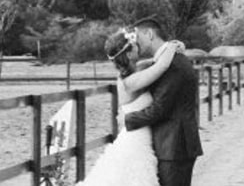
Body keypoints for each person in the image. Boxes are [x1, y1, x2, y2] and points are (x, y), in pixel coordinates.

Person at [78, 27, 185, 186]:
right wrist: (170, 46)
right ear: (128, 54)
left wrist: (177, 47)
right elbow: (160, 66)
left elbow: (156, 61)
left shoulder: (137, 69)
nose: (138, 45)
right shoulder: (129, 82)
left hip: (139, 133)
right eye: (134, 44)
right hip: (136, 140)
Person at [123, 17, 203, 186]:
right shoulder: (168, 59)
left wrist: (126, 120)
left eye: (138, 36)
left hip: (174, 146)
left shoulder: (172, 64)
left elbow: (160, 110)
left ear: (149, 34)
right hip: (173, 144)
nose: (136, 42)